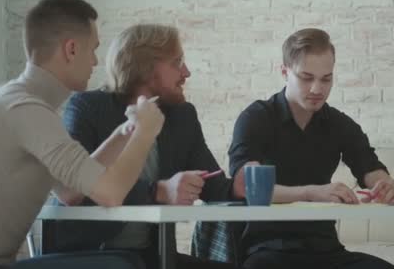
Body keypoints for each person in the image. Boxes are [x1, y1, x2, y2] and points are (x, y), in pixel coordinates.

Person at [46, 24, 245, 269]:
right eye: (177, 62)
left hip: (152, 256)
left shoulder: (182, 116)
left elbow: (212, 185)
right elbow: (78, 193)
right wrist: (157, 191)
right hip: (88, 255)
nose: (187, 72)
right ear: (145, 67)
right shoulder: (87, 107)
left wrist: (236, 187)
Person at [0, 0, 164, 266]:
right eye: (93, 49)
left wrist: (126, 132)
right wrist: (145, 134)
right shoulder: (27, 110)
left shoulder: (16, 101)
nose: (96, 62)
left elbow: (70, 192)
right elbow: (110, 193)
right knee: (121, 265)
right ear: (71, 49)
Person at [228, 28, 394, 269]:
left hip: (326, 249)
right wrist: (310, 192)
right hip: (269, 250)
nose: (318, 89)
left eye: (326, 78)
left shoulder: (339, 124)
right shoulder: (256, 118)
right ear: (285, 72)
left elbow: (369, 167)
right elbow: (245, 186)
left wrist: (386, 185)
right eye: (307, 78)